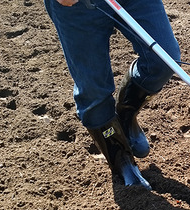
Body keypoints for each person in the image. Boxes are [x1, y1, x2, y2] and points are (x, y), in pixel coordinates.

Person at [45, 0, 181, 190]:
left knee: (164, 60)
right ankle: (120, 157)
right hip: (78, 7)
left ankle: (125, 117)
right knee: (93, 89)